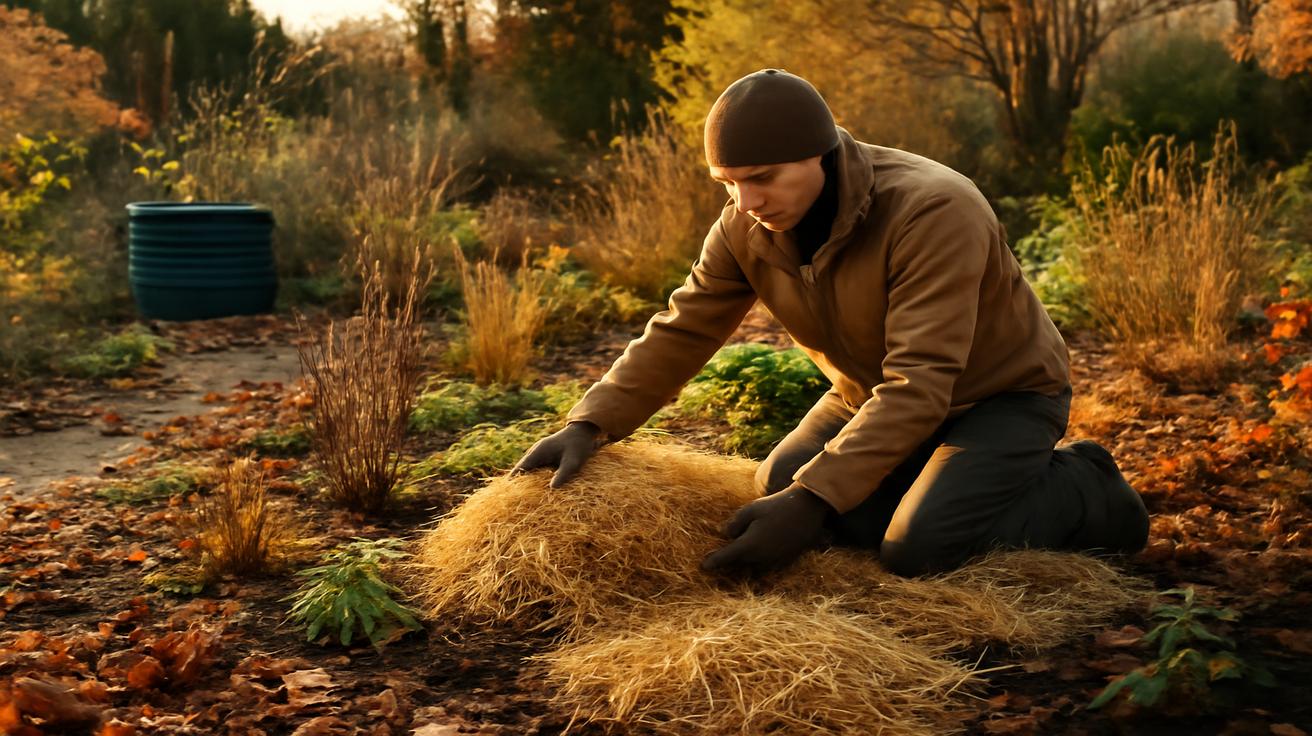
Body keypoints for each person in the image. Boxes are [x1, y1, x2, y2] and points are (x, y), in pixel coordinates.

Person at [511, 68, 1150, 578]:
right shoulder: (744, 224)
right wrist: (591, 423)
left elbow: (922, 382)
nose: (747, 203)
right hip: (864, 396)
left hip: (998, 397)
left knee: (917, 550)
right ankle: (924, 480)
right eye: (728, 184)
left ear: (820, 155)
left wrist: (816, 500)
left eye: (762, 179)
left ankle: (1084, 485)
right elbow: (685, 327)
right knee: (775, 486)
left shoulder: (932, 210)